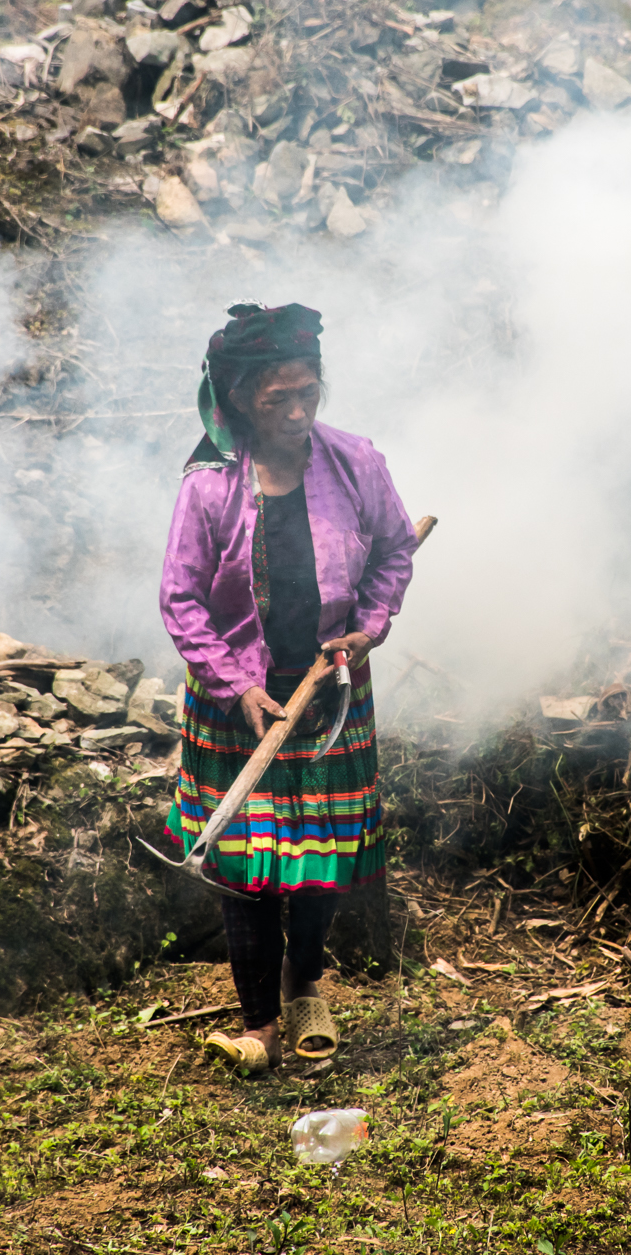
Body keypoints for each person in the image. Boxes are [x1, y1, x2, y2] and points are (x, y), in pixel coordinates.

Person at [159, 302, 417, 1072]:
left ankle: (306, 981)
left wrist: (368, 624)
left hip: (327, 696)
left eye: (309, 391)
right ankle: (260, 1025)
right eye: (279, 398)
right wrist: (237, 681)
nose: (299, 410)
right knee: (244, 866)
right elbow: (181, 599)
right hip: (238, 703)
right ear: (240, 397)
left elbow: (395, 551)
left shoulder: (356, 462)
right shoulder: (208, 487)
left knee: (320, 856)